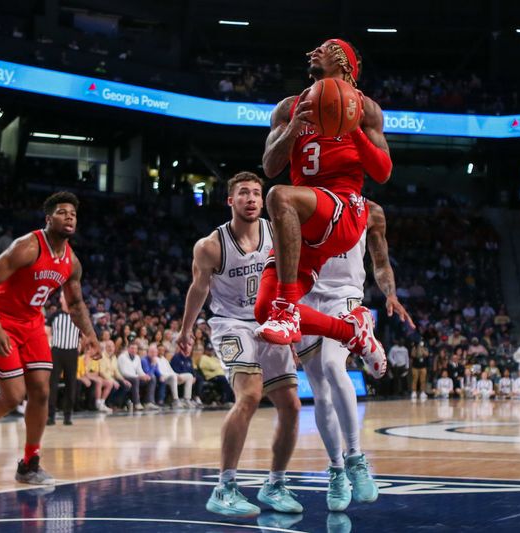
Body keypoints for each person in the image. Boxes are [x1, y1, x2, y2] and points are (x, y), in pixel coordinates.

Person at [255, 38, 392, 380]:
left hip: (346, 208)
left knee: (277, 196)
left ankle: (288, 310)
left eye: (327, 48)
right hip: (304, 224)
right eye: (314, 46)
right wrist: (291, 129)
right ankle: (354, 333)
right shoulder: (290, 106)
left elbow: (383, 172)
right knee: (262, 310)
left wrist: (354, 131)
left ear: (346, 64)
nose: (314, 50)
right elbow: (270, 165)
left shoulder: (366, 109)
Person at [176, 172, 302, 518]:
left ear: (263, 201)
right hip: (230, 324)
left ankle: (275, 484)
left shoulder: (277, 232)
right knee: (248, 395)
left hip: (269, 322)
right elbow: (198, 289)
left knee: (291, 404)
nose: (251, 198)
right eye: (243, 193)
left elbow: (289, 280)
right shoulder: (210, 245)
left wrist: (289, 327)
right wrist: (186, 330)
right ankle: (225, 486)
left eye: (257, 193)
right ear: (230, 201)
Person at [0, 191, 99, 485]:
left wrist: (90, 335)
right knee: (13, 395)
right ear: (48, 220)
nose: (69, 216)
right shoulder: (27, 246)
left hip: (32, 323)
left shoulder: (72, 262)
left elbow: (74, 304)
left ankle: (29, 463)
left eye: (72, 213)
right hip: (2, 321)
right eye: (62, 212)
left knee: (42, 391)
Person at [293, 200, 413, 511]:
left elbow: (381, 261)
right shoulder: (303, 202)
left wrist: (390, 294)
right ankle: (335, 469)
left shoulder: (371, 210)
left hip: (344, 295)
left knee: (334, 366)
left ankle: (356, 458)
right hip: (306, 296)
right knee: (320, 393)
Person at [46, 293, 81, 426]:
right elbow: (46, 332)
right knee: (52, 384)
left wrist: (79, 346)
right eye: (61, 297)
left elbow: (82, 334)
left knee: (71, 384)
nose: (62, 299)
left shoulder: (78, 316)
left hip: (72, 352)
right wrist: (50, 347)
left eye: (64, 296)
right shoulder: (55, 315)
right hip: (56, 351)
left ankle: (68, 415)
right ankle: (51, 415)